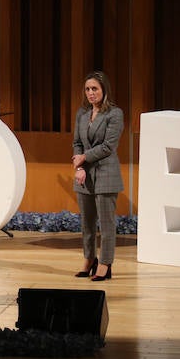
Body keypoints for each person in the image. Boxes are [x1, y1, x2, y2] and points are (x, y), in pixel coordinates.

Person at [72, 70, 124, 282]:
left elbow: (108, 147)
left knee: (106, 224)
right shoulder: (82, 114)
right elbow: (77, 142)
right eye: (87, 89)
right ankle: (89, 259)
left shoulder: (114, 114)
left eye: (95, 89)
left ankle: (105, 264)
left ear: (104, 90)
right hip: (84, 176)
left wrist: (83, 157)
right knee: (87, 223)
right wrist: (79, 167)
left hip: (106, 174)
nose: (91, 93)